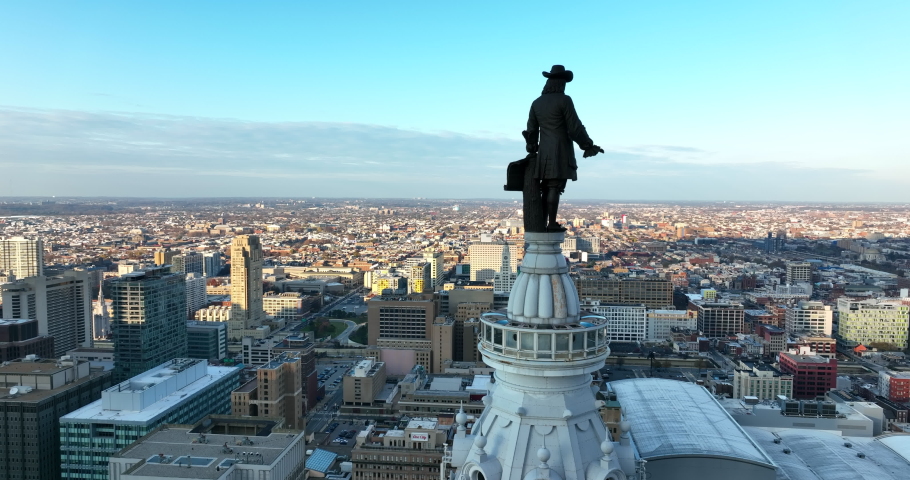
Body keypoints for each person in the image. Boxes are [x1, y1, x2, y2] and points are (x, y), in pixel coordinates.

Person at [525, 65, 604, 232]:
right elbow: (574, 127)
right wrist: (587, 145)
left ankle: (544, 221)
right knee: (555, 186)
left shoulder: (536, 103)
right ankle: (551, 223)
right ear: (560, 83)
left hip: (543, 152)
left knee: (547, 188)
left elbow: (531, 131)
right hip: (560, 149)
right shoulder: (564, 100)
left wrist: (532, 146)